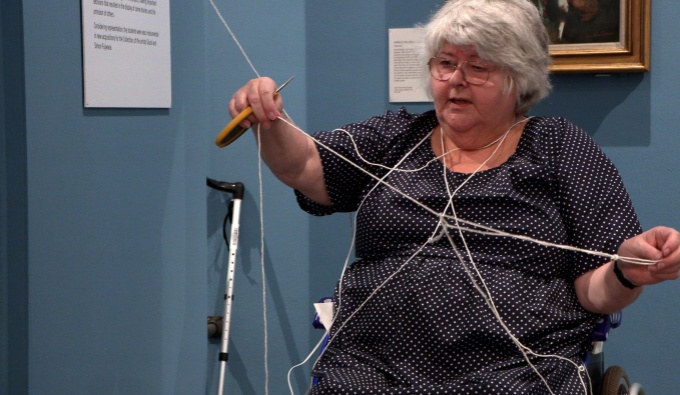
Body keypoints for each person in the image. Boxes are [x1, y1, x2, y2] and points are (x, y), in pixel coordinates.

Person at [227, 0, 680, 393]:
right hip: (371, 362)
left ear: (518, 79)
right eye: (445, 64)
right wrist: (270, 120)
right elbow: (305, 166)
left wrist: (627, 268)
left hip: (514, 367)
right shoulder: (397, 135)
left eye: (478, 67)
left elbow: (594, 290)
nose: (456, 80)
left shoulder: (559, 147)